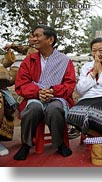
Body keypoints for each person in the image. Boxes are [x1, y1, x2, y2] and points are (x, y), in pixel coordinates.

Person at [13, 24, 76, 160]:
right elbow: (21, 84)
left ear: (50, 40)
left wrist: (53, 91)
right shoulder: (29, 60)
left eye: (37, 36)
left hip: (57, 97)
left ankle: (60, 144)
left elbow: (69, 85)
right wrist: (38, 92)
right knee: (32, 108)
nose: (33, 39)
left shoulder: (64, 61)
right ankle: (26, 144)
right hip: (35, 97)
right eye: (33, 36)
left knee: (55, 109)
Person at [67, 38, 102, 137]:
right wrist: (94, 72)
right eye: (94, 51)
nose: (97, 53)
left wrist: (101, 72)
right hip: (88, 98)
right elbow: (80, 89)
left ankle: (97, 135)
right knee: (71, 114)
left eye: (101, 50)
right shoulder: (87, 67)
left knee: (93, 114)